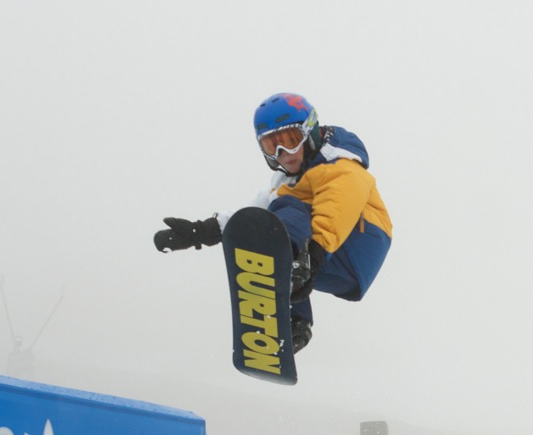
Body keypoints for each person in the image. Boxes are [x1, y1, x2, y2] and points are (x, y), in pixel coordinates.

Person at [153, 93, 393, 352]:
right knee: (262, 229)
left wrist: (316, 252)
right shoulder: (288, 183)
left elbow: (338, 206)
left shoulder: (341, 165)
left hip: (357, 243)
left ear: (310, 133)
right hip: (330, 261)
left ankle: (291, 262)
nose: (283, 154)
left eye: (291, 141)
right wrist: (201, 231)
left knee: (282, 217)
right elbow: (253, 215)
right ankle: (295, 321)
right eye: (272, 147)